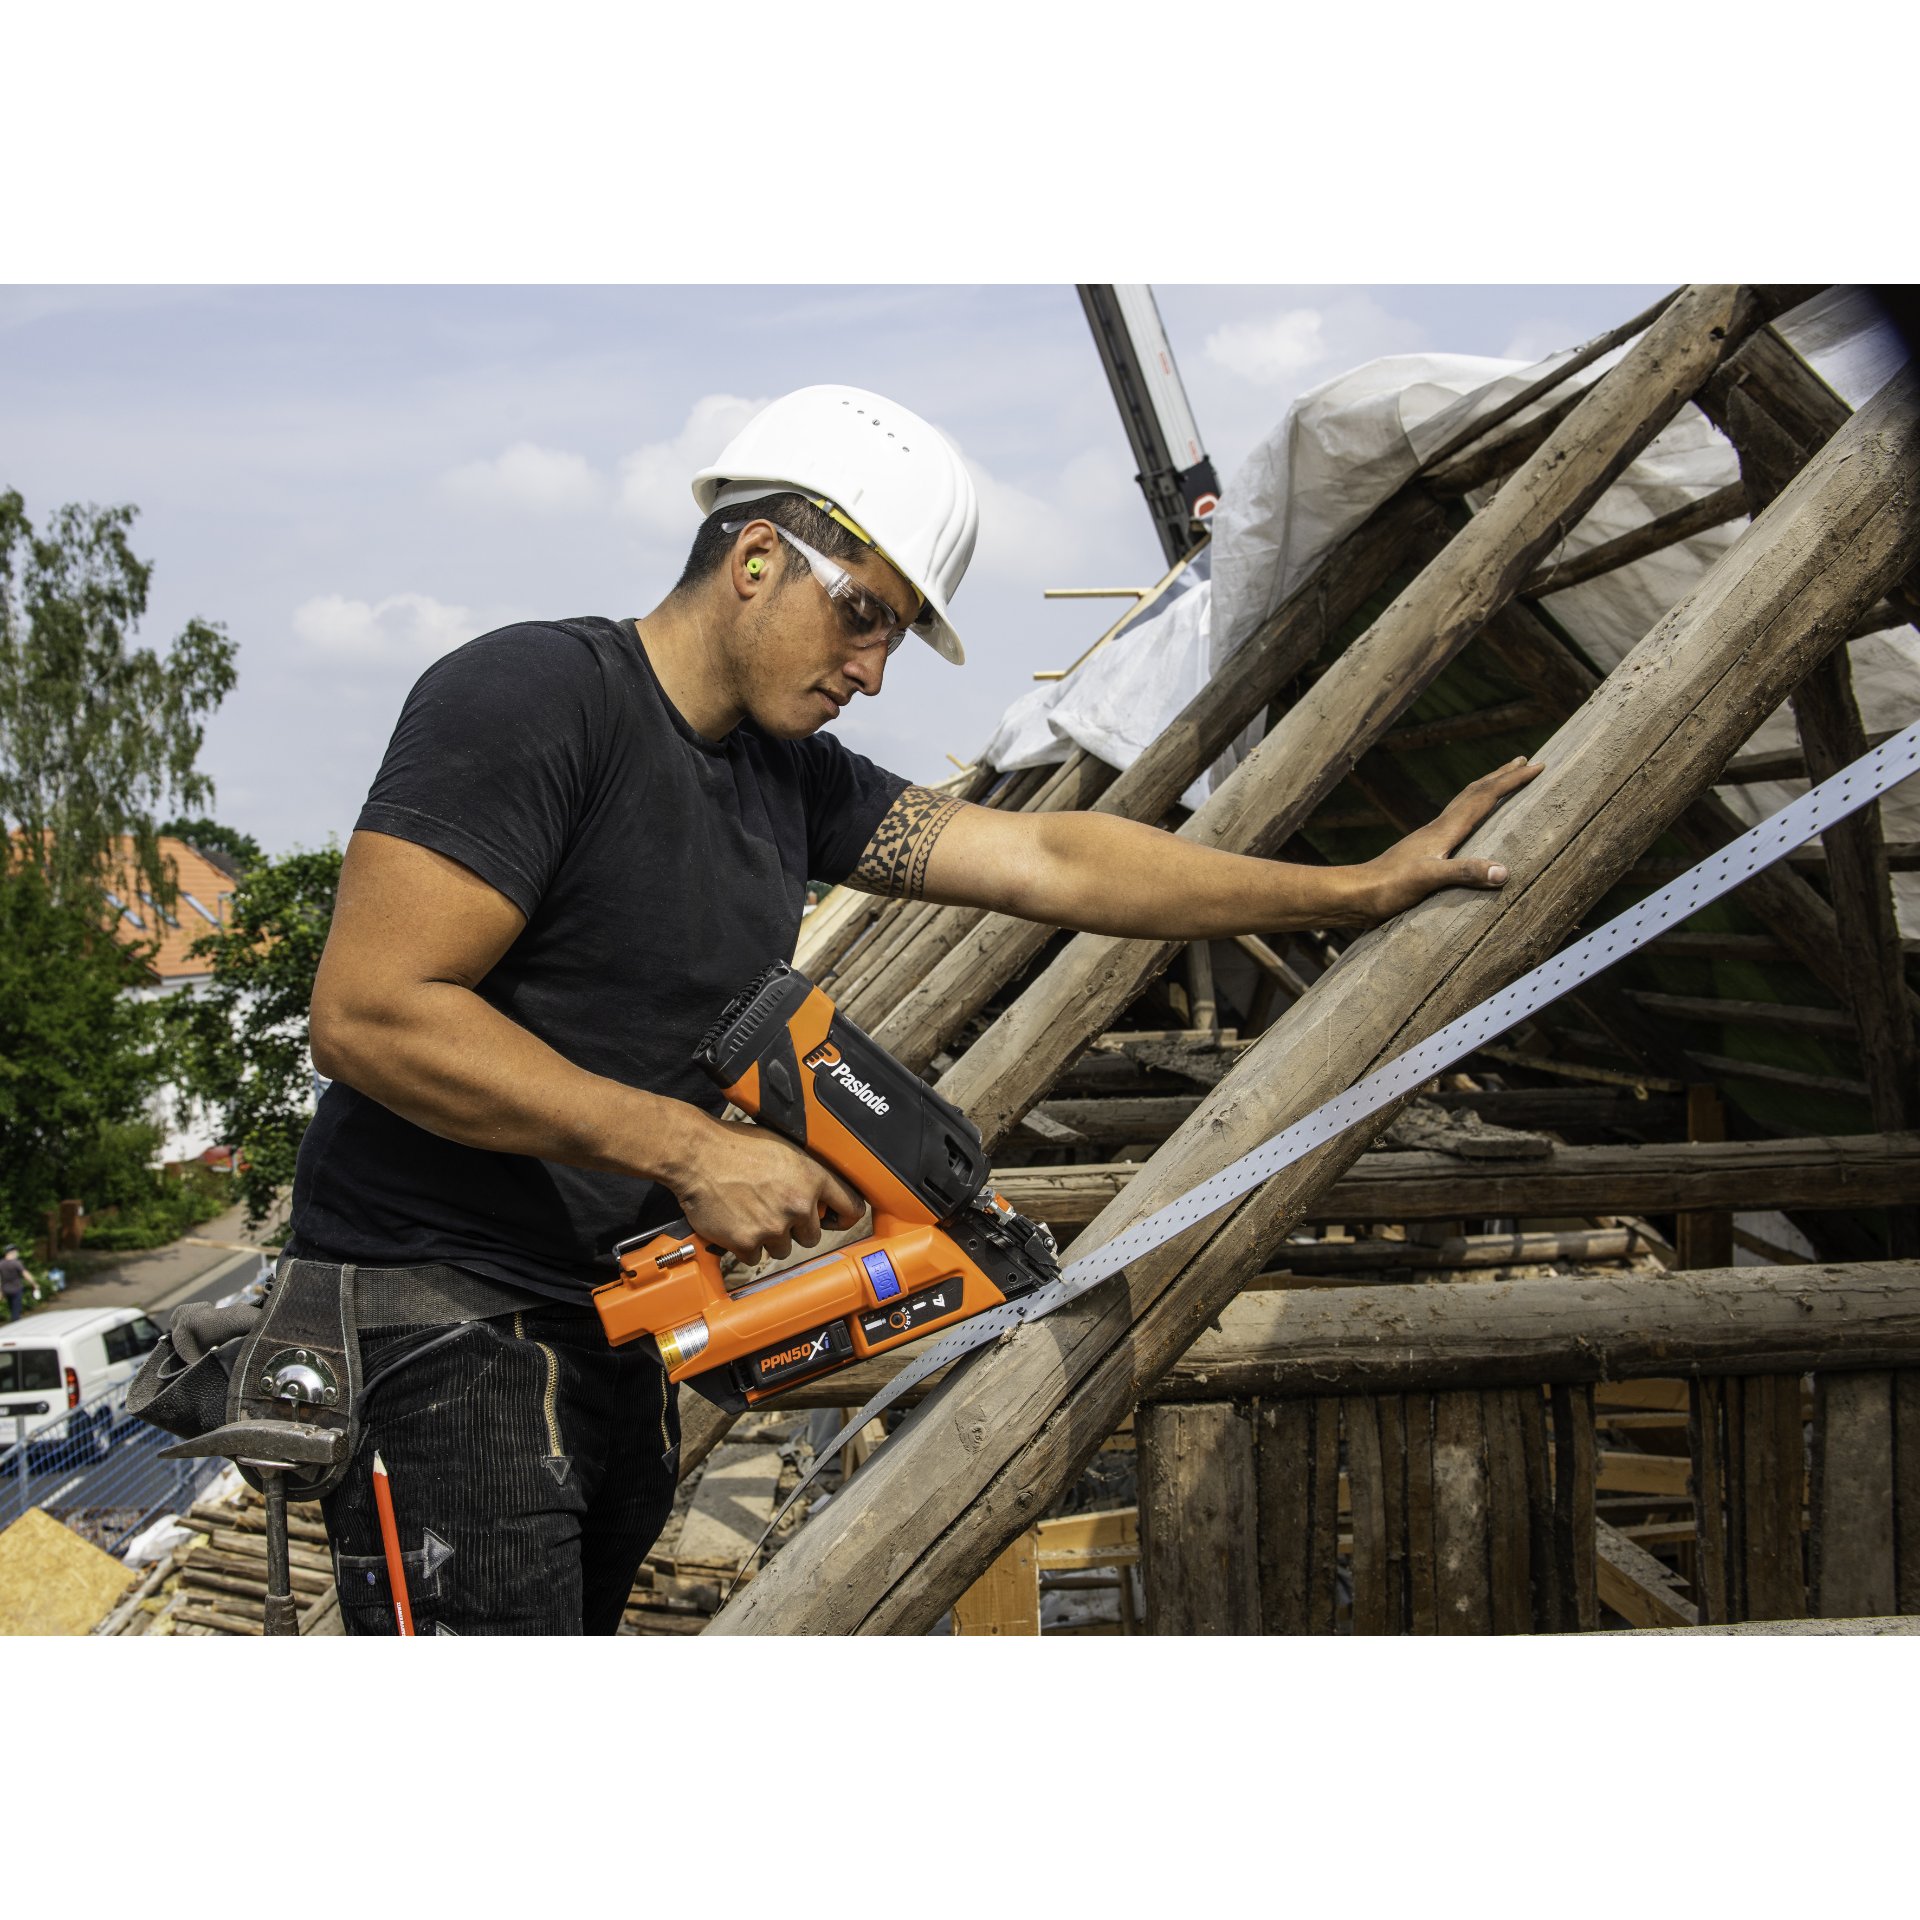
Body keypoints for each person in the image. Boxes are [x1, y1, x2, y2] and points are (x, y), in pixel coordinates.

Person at [294, 384, 1537, 1634]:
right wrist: (687, 1149)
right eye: (863, 618)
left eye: (891, 637)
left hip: (603, 1325)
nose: (873, 672)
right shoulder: (535, 697)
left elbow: (1053, 860)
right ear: (759, 555)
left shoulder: (788, 779)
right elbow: (371, 1014)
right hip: (438, 1314)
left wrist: (1350, 886)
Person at [1, 1246, 26, 1322]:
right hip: (16, 1289)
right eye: (15, 1251)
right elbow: (25, 1274)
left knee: (12, 1309)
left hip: (6, 1289)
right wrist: (34, 1283)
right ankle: (15, 1324)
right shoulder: (16, 1263)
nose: (17, 1253)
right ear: (11, 1252)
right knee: (16, 1310)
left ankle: (14, 1320)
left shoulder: (1, 1263)